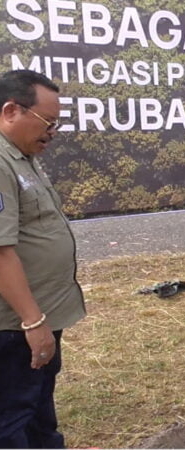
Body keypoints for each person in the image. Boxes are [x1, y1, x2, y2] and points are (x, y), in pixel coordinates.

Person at [0, 70, 86, 447]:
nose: (52, 132)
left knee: (37, 404)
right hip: (16, 324)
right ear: (10, 111)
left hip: (40, 313)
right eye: (47, 122)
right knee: (13, 412)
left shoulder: (20, 157)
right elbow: (1, 252)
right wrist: (33, 322)